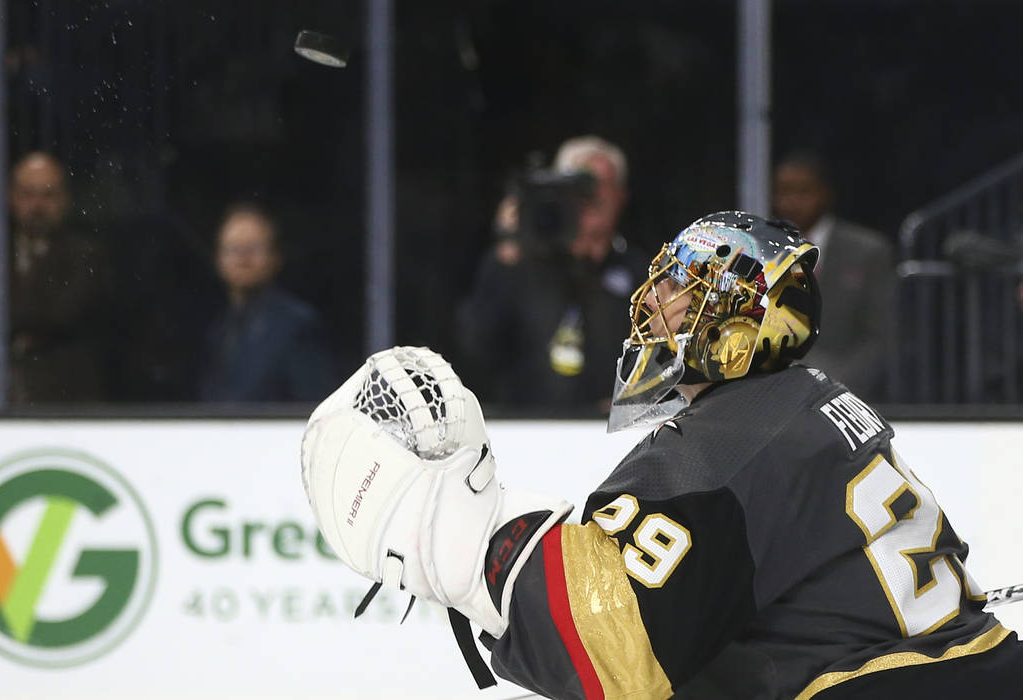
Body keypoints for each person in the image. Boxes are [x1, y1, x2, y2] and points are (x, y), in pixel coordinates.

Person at [302, 211, 1023, 699]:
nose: (655, 299)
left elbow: (608, 644)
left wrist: (449, 543)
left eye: (683, 285)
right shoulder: (811, 401)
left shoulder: (729, 443)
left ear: (742, 315)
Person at [455, 135, 648, 412]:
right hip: (528, 433)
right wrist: (506, 251)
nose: (592, 197)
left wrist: (632, 402)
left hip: (611, 437)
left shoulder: (640, 275)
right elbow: (476, 349)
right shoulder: (520, 267)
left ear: (621, 195)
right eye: (580, 186)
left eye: (600, 185)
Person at [772, 151, 896, 402]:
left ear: (825, 193)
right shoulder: (762, 250)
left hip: (847, 394)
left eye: (804, 191)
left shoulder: (868, 252)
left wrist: (836, 389)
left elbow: (879, 338)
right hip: (773, 396)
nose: (793, 201)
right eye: (784, 191)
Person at [197, 203, 336, 402]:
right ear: (218, 259)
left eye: (253, 249)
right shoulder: (217, 327)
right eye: (233, 249)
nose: (243, 259)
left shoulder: (296, 324)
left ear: (275, 257)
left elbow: (315, 405)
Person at [6, 151, 108, 403]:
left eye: (48, 195)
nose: (37, 206)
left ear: (65, 200)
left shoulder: (86, 254)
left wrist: (0, 323)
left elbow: (62, 315)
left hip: (66, 397)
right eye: (28, 194)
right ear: (11, 197)